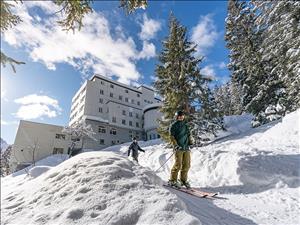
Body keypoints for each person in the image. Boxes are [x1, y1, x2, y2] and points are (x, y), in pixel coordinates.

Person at [168, 110, 194, 188]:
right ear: (176, 117)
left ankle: (183, 180)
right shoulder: (173, 125)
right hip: (178, 148)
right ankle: (173, 180)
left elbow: (188, 134)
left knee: (187, 165)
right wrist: (175, 145)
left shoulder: (185, 125)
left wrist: (190, 142)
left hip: (186, 147)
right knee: (178, 165)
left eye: (182, 116)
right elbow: (171, 137)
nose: (181, 117)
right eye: (179, 116)